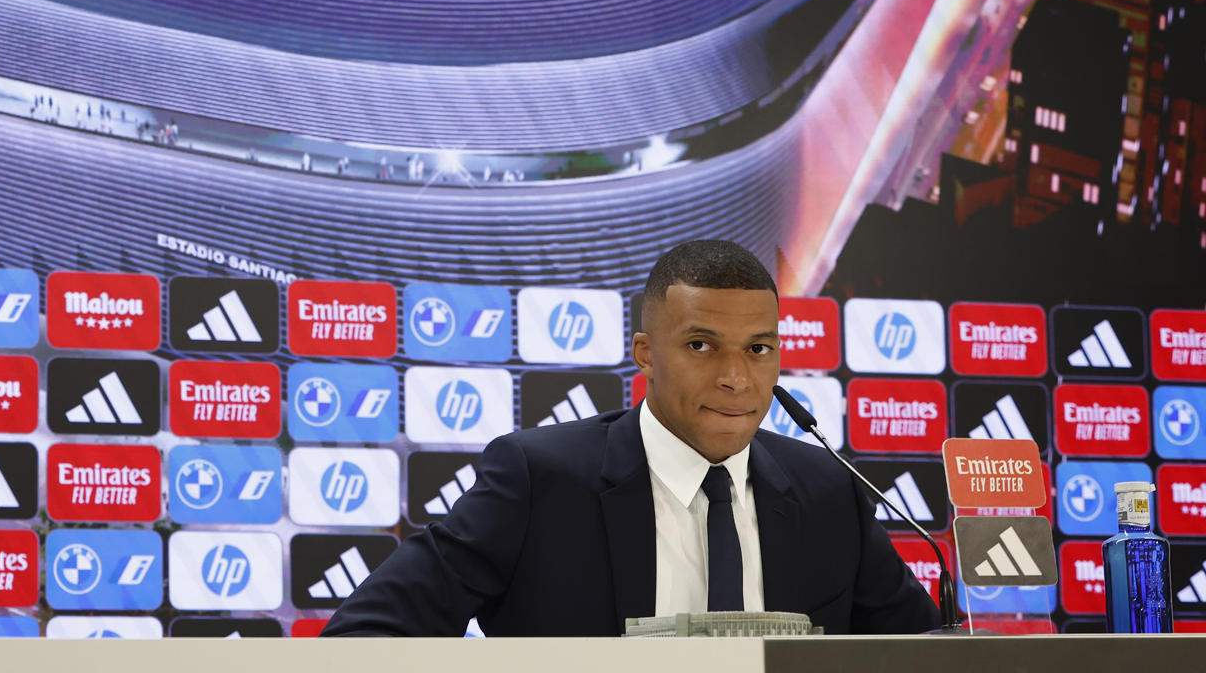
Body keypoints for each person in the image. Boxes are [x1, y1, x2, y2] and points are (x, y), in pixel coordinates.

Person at [320, 239, 940, 636]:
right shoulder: (538, 479)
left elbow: (926, 658)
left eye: (759, 350)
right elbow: (368, 636)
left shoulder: (828, 488)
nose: (734, 377)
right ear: (645, 353)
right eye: (701, 346)